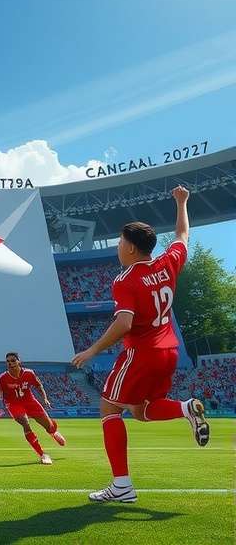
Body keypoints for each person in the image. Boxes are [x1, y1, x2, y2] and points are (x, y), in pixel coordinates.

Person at [72, 185, 208, 503]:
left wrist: (92, 350)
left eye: (121, 241)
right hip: (169, 351)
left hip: (141, 353)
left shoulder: (126, 280)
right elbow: (182, 236)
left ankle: (122, 485)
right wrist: (182, 202)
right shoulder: (167, 263)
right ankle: (186, 408)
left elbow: (124, 323)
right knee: (142, 411)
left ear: (132, 248)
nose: (118, 246)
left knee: (108, 407)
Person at [0, 352, 66, 465]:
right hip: (14, 404)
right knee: (25, 423)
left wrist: (45, 398)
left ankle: (53, 432)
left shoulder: (29, 373)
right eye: (8, 361)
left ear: (19, 361)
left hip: (30, 401)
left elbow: (39, 386)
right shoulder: (2, 378)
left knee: (49, 426)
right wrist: (0, 400)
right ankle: (43, 454)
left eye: (13, 360)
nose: (10, 363)